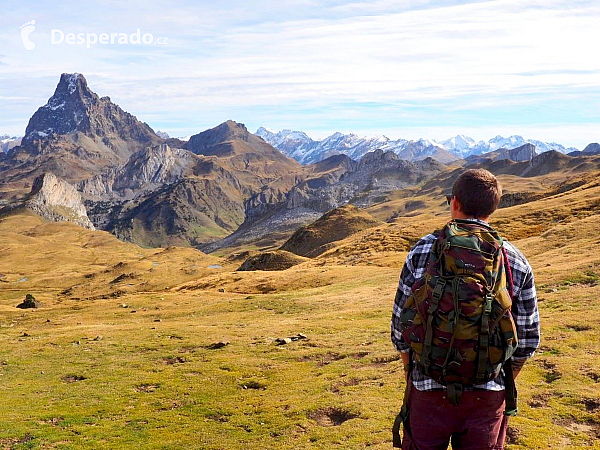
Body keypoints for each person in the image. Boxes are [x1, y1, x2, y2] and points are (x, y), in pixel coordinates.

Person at [391, 168, 540, 450]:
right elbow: (528, 339)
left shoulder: (422, 250)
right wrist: (494, 377)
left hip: (427, 389)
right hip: (487, 397)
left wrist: (413, 373)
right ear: (493, 209)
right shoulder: (514, 260)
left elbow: (400, 326)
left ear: (455, 202)